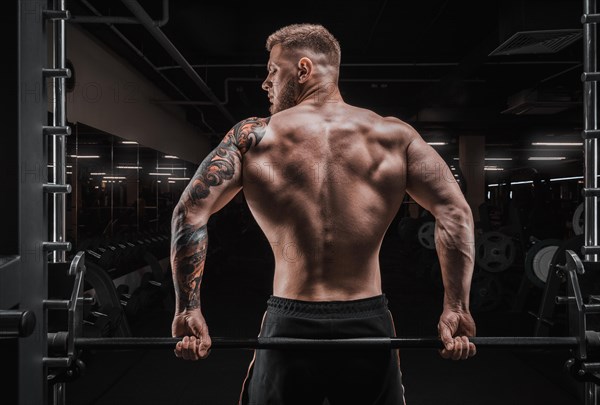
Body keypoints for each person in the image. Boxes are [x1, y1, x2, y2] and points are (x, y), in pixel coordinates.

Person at [170, 23, 476, 405]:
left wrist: (188, 308)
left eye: (272, 71)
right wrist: (457, 308)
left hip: (289, 322)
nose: (266, 83)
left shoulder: (253, 136)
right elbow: (455, 214)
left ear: (302, 69)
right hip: (368, 323)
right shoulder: (395, 136)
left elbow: (190, 212)